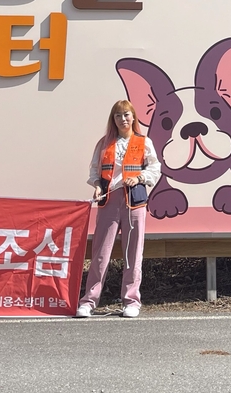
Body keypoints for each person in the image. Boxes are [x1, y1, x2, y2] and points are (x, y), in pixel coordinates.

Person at [76, 100, 161, 318]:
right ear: (112, 119)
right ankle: (89, 301)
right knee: (100, 253)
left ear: (133, 117)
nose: (122, 119)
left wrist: (139, 177)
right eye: (118, 115)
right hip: (109, 201)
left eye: (126, 115)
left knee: (133, 253)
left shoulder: (144, 142)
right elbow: (94, 170)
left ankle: (131, 301)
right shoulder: (104, 143)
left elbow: (155, 168)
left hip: (134, 202)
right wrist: (97, 185)